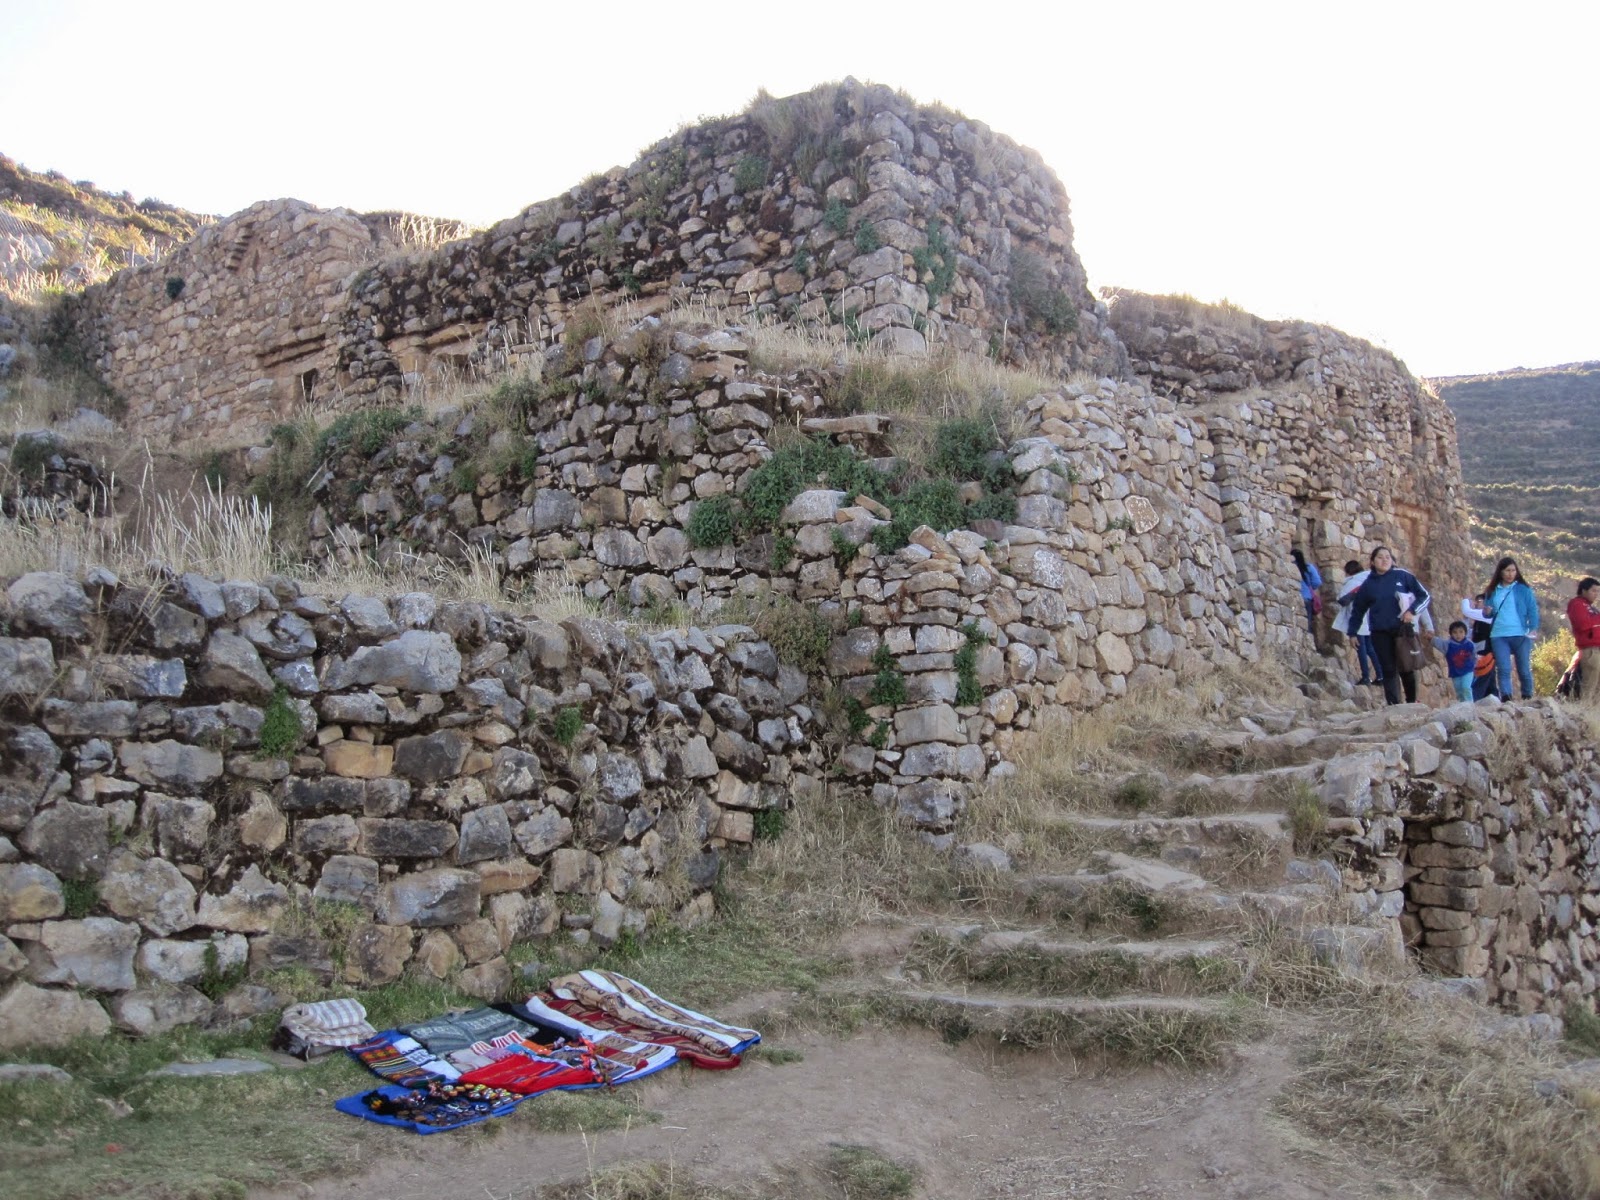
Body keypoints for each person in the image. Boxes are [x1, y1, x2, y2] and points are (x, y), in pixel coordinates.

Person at [1346, 545, 1432, 706]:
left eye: (1388, 557)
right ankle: (1394, 705)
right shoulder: (1368, 585)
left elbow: (1424, 596)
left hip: (1402, 629)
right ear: (1372, 562)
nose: (1384, 560)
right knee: (1388, 668)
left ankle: (1412, 702)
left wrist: (1412, 611)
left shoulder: (1403, 576)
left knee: (1406, 666)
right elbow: (1358, 610)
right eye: (1380, 557)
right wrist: (1352, 633)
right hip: (1379, 632)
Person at [1481, 556, 1540, 701]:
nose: (1510, 574)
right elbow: (1488, 612)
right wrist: (1487, 611)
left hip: (1521, 634)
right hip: (1499, 634)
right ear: (1500, 572)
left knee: (1523, 670)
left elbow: (1532, 610)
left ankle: (1527, 697)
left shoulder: (1523, 589)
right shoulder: (1492, 590)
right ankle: (1507, 698)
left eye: (1513, 570)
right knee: (1503, 669)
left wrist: (1533, 628)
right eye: (1507, 570)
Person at [1332, 559, 1382, 686]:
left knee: (1361, 649)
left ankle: (1366, 677)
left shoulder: (1354, 582)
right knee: (1370, 648)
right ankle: (1381, 675)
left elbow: (1342, 599)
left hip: (1358, 620)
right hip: (1369, 619)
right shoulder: (1369, 579)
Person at [1566, 577, 1600, 701]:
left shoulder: (1591, 608)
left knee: (1597, 687)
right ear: (1584, 590)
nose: (1596, 594)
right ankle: (1585, 707)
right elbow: (1582, 624)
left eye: (1598, 591)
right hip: (1590, 649)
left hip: (1597, 647)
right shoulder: (1577, 604)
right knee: (1589, 684)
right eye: (1593, 591)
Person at [1433, 620, 1477, 704]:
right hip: (1455, 673)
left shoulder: (1470, 644)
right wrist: (1431, 638)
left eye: (1461, 632)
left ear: (1465, 633)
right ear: (1451, 634)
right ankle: (1462, 705)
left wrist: (1474, 666)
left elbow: (1474, 656)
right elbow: (1439, 643)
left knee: (1466, 687)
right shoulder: (1448, 645)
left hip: (1468, 671)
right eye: (1455, 632)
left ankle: (1470, 705)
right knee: (1459, 691)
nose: (1458, 635)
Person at [1291, 548, 1323, 644]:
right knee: (1307, 622)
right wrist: (1310, 587)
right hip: (1306, 597)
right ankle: (1308, 644)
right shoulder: (1308, 567)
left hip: (1293, 597)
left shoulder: (1290, 566)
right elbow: (1317, 582)